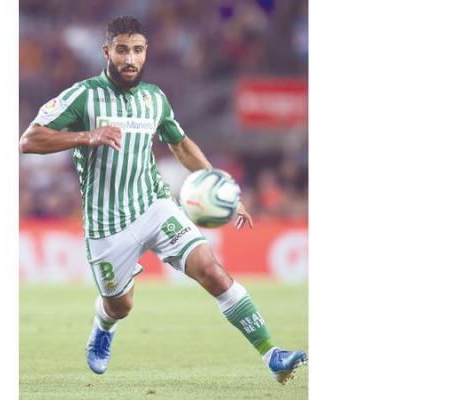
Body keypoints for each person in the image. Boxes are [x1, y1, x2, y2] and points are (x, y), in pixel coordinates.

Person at [19, 16, 307, 385]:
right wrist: (87, 136)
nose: (130, 59)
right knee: (120, 305)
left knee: (211, 270)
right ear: (107, 51)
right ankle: (104, 323)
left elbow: (181, 144)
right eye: (122, 50)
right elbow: (29, 140)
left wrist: (220, 186)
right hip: (107, 224)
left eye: (137, 50)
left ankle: (272, 354)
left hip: (154, 206)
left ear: (146, 53)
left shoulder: (154, 99)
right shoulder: (84, 96)